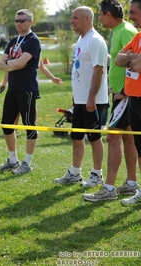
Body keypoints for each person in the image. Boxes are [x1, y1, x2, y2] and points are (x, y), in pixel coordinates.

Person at [83, 0, 139, 202]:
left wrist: (124, 90)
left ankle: (108, 188)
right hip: (121, 92)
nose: (99, 18)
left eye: (100, 14)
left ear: (108, 15)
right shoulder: (119, 31)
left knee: (113, 137)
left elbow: (134, 61)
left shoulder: (126, 31)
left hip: (125, 95)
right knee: (127, 137)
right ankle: (132, 183)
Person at [54, 6, 109, 186]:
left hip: (93, 101)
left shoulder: (96, 40)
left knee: (94, 138)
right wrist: (77, 97)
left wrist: (91, 98)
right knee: (76, 137)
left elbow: (99, 70)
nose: (72, 21)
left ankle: (97, 174)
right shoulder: (81, 39)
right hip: (80, 101)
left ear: (86, 19)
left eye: (75, 18)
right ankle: (75, 172)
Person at [0, 9, 41, 175]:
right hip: (12, 88)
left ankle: (27, 163)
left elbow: (22, 63)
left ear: (30, 22)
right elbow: (1, 64)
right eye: (17, 20)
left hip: (27, 89)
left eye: (22, 20)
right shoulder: (14, 40)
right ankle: (12, 159)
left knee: (29, 125)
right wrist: (13, 63)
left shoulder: (33, 40)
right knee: (6, 124)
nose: (19, 23)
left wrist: (10, 62)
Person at [115, 0, 141, 205]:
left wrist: (130, 58)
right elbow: (117, 59)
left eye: (133, 12)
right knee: (140, 148)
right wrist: (133, 57)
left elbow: (138, 65)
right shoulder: (139, 36)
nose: (130, 16)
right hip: (134, 99)